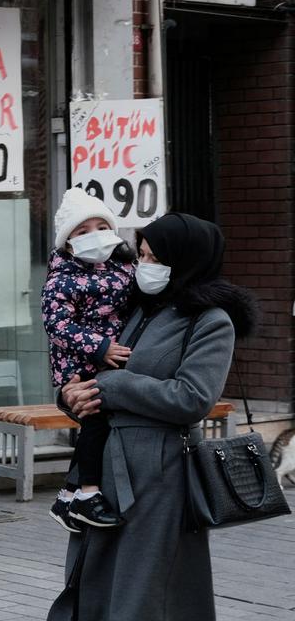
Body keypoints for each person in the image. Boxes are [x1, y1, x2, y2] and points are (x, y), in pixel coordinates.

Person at [50, 213, 258, 621]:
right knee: (96, 576)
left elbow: (193, 397)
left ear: (183, 260)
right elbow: (91, 369)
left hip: (160, 473)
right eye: (142, 255)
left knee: (146, 585)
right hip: (106, 467)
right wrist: (70, 394)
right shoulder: (135, 308)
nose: (143, 266)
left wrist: (113, 387)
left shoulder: (211, 321)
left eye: (153, 257)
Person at [41, 189, 136, 531]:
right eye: (82, 232)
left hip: (109, 364)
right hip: (78, 367)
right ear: (67, 243)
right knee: (95, 423)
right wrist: (100, 347)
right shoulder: (61, 279)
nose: (93, 236)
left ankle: (66, 496)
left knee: (98, 426)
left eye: (101, 226)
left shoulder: (124, 267)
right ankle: (87, 493)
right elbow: (57, 325)